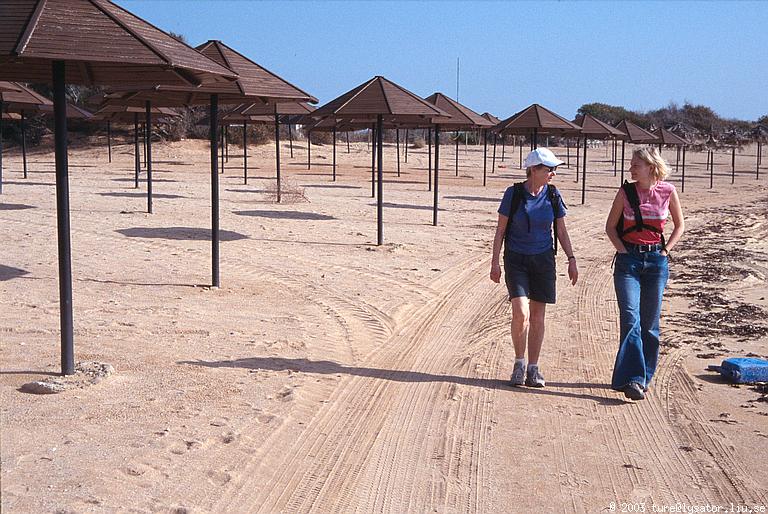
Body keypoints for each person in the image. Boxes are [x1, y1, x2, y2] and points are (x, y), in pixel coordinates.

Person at [490, 147, 578, 387]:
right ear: (534, 170)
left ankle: (533, 368)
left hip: (543, 260)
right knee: (521, 312)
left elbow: (561, 230)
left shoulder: (552, 195)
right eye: (549, 169)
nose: (553, 174)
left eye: (554, 170)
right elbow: (500, 231)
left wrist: (571, 259)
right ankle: (519, 363)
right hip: (516, 259)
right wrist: (495, 262)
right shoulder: (514, 193)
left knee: (538, 316)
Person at [605, 147, 684, 401]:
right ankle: (633, 379)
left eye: (635, 165)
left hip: (656, 263)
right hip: (629, 262)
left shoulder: (668, 191)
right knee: (630, 319)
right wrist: (623, 251)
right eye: (631, 165)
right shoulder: (625, 192)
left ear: (650, 166)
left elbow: (680, 225)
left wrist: (665, 251)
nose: (631, 169)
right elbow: (610, 227)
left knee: (650, 325)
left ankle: (643, 377)